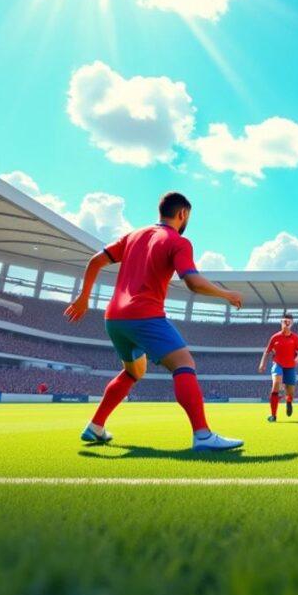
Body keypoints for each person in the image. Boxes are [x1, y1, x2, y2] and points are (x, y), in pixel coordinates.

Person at [65, 191, 245, 451]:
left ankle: (95, 427)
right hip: (145, 315)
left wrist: (83, 298)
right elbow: (193, 282)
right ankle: (203, 435)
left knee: (133, 372)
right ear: (182, 214)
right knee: (184, 363)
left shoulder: (134, 235)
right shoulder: (178, 241)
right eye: (188, 217)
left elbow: (95, 261)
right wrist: (226, 293)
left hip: (114, 318)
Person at [258, 313, 298, 422]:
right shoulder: (275, 337)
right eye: (284, 321)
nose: (286, 324)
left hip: (290, 366)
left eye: (289, 322)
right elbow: (267, 351)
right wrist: (262, 363)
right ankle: (273, 415)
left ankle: (288, 402)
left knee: (290, 392)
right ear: (281, 322)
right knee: (276, 384)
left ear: (292, 324)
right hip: (277, 364)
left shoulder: (296, 338)